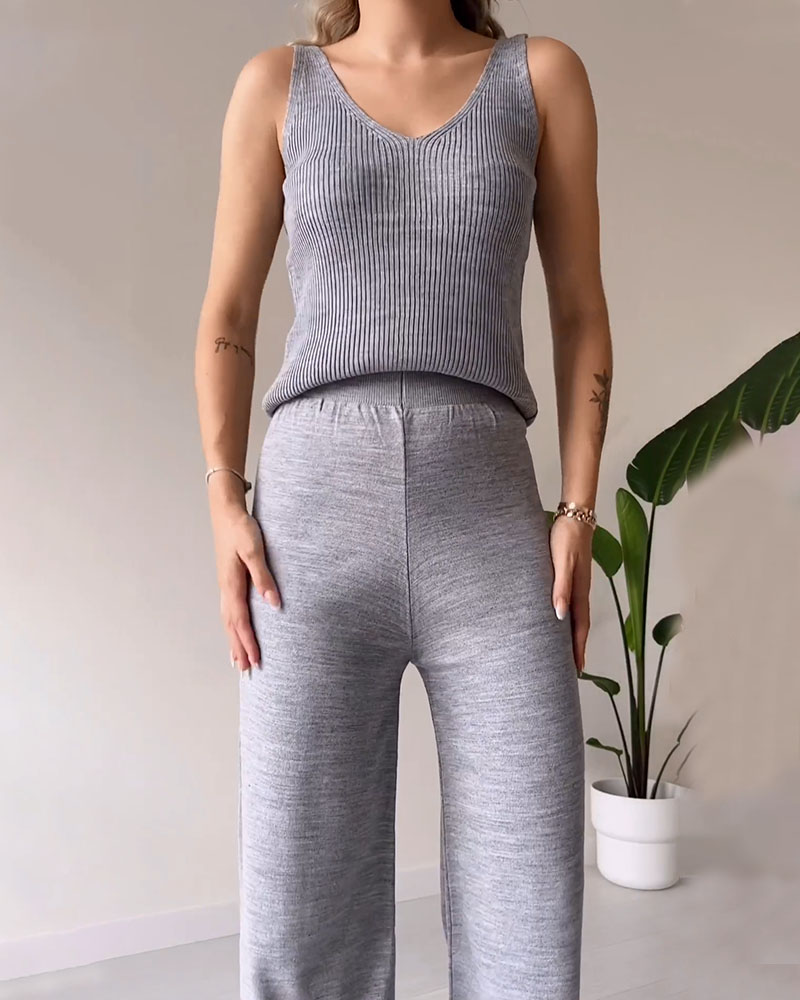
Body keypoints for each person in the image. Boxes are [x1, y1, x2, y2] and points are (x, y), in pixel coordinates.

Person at [194, 1, 612, 997]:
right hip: (309, 524)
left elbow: (579, 310)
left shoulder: (540, 78)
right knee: (300, 896)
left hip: (488, 513)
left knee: (529, 887)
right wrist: (222, 493)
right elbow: (229, 312)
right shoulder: (277, 85)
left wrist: (577, 507)